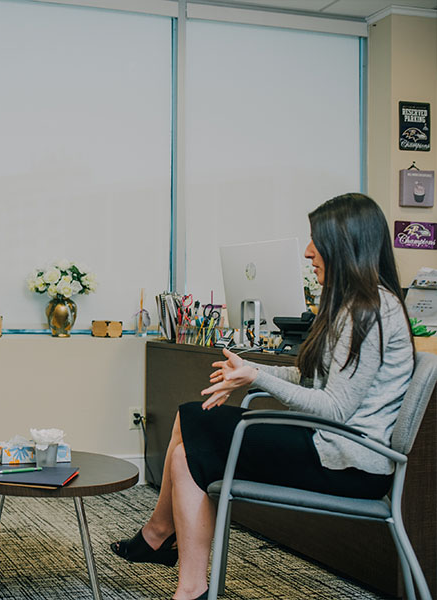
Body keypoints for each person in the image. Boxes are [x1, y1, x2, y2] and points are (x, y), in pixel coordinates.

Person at [110, 193, 414, 600]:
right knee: (190, 441)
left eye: (316, 241)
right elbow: (311, 378)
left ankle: (163, 543)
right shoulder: (354, 305)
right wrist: (250, 375)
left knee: (192, 423)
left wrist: (257, 377)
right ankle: (182, 574)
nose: (308, 253)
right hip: (330, 446)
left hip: (349, 462)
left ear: (346, 243)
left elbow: (336, 409)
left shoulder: (371, 311)